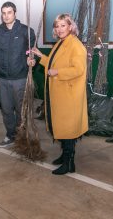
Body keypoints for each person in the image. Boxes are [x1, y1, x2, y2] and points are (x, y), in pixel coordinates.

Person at [31, 13, 88, 175]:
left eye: (63, 25)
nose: (60, 29)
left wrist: (58, 72)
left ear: (70, 26)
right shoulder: (61, 43)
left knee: (68, 130)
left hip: (69, 96)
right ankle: (65, 156)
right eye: (57, 26)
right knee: (62, 128)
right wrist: (41, 56)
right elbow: (53, 62)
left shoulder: (75, 45)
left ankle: (69, 163)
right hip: (60, 94)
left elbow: (78, 69)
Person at [0, 1, 35, 147]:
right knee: (6, 109)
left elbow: (31, 51)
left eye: (9, 12)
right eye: (3, 13)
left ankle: (21, 135)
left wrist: (30, 60)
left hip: (20, 78)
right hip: (3, 78)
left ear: (15, 13)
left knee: (21, 109)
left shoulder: (26, 31)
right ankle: (10, 135)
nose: (6, 16)